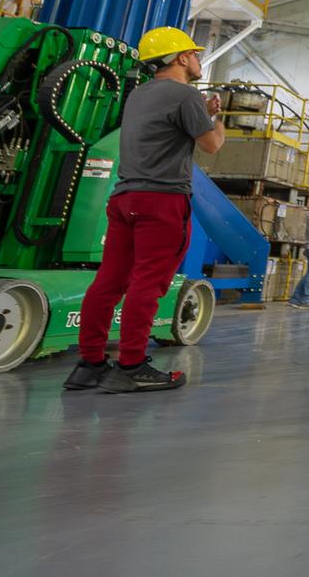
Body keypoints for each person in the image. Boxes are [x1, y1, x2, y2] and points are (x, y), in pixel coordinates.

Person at [65, 26, 223, 395]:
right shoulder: (185, 95)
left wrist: (202, 111)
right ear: (182, 58)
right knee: (147, 285)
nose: (199, 61)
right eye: (196, 54)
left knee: (108, 282)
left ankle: (89, 364)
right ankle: (132, 365)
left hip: (125, 198)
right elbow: (212, 145)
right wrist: (218, 117)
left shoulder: (139, 95)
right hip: (162, 201)